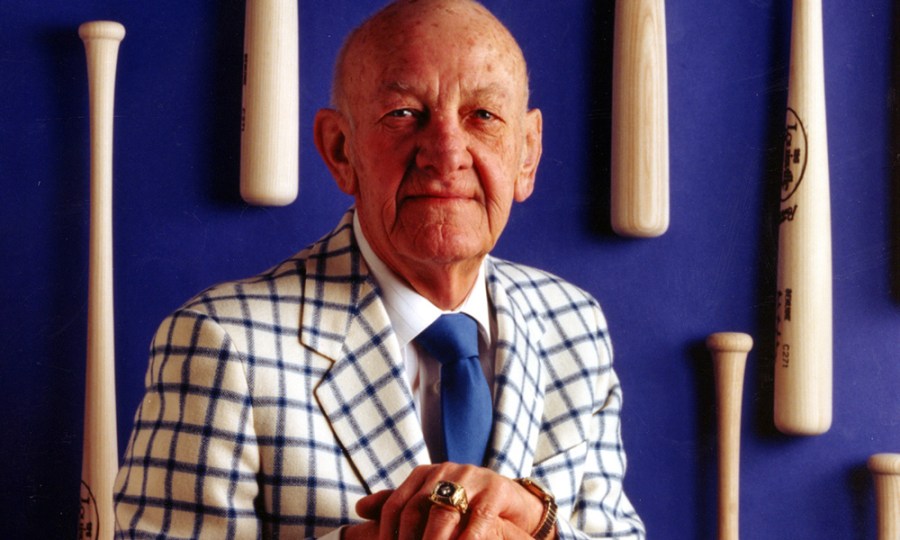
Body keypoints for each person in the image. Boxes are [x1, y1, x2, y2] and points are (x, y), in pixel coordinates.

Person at [113, 0, 645, 538]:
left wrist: (543, 530)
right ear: (340, 149)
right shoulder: (222, 342)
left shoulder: (576, 324)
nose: (445, 152)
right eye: (404, 114)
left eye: (482, 115)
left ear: (526, 155)